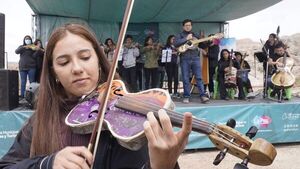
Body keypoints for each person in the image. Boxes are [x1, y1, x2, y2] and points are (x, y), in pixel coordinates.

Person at [0, 24, 192, 169]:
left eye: (85, 57)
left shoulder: (127, 118)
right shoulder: (40, 120)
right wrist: (47, 163)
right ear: (54, 73)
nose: (77, 68)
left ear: (99, 61)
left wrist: (162, 166)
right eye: (64, 62)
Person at [174, 19, 209, 104]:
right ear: (183, 26)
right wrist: (186, 38)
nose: (188, 27)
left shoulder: (195, 35)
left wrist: (207, 40)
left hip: (195, 58)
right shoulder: (180, 35)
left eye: (189, 25)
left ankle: (203, 96)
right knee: (185, 78)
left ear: (191, 26)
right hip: (184, 58)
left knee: (199, 77)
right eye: (186, 25)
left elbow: (203, 45)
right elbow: (176, 43)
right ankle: (186, 96)